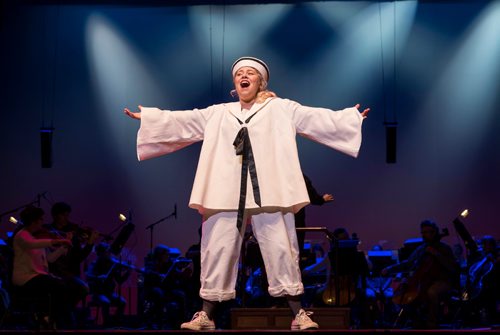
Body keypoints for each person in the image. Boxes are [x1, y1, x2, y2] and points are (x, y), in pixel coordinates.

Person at [124, 56, 370, 331]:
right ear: (235, 83)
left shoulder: (280, 108)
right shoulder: (219, 112)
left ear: (260, 81)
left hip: (270, 190)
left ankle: (299, 314)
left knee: (281, 249)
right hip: (224, 191)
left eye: (250, 73)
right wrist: (148, 118)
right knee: (217, 250)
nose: (244, 76)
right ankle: (206, 316)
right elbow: (185, 120)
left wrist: (349, 119)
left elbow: (314, 118)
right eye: (240, 73)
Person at [381, 219, 460, 329]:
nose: (423, 235)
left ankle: (432, 324)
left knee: (432, 292)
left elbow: (453, 267)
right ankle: (417, 323)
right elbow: (408, 264)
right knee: (405, 294)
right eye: (422, 233)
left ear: (434, 232)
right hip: (423, 281)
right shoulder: (421, 248)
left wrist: (437, 254)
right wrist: (390, 268)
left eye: (426, 232)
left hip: (443, 281)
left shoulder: (444, 248)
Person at [10, 205, 73, 329]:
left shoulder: (37, 237)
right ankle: (48, 319)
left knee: (65, 285)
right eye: (41, 219)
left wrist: (64, 246)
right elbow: (31, 244)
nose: (43, 222)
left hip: (36, 276)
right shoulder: (22, 235)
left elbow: (49, 259)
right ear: (34, 221)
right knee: (57, 286)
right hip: (25, 278)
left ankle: (50, 318)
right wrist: (57, 241)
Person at [44, 202, 100, 322]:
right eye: (63, 215)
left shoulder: (73, 233)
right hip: (50, 270)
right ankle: (63, 313)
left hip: (68, 273)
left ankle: (65, 310)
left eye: (67, 215)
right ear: (55, 215)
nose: (66, 219)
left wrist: (89, 243)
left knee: (83, 288)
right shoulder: (47, 230)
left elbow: (79, 258)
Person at [85, 242, 131, 328]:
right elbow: (88, 276)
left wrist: (128, 272)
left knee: (122, 302)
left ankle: (116, 322)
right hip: (97, 293)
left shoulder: (112, 264)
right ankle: (107, 324)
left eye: (109, 251)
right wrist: (99, 277)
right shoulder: (94, 264)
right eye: (107, 251)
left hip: (110, 293)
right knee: (106, 302)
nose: (109, 253)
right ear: (100, 253)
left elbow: (120, 280)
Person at [294, 173, 334, 268]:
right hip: (296, 220)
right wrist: (321, 199)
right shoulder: (298, 175)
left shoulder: (273, 175)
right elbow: (311, 195)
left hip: (275, 219)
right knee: (295, 251)